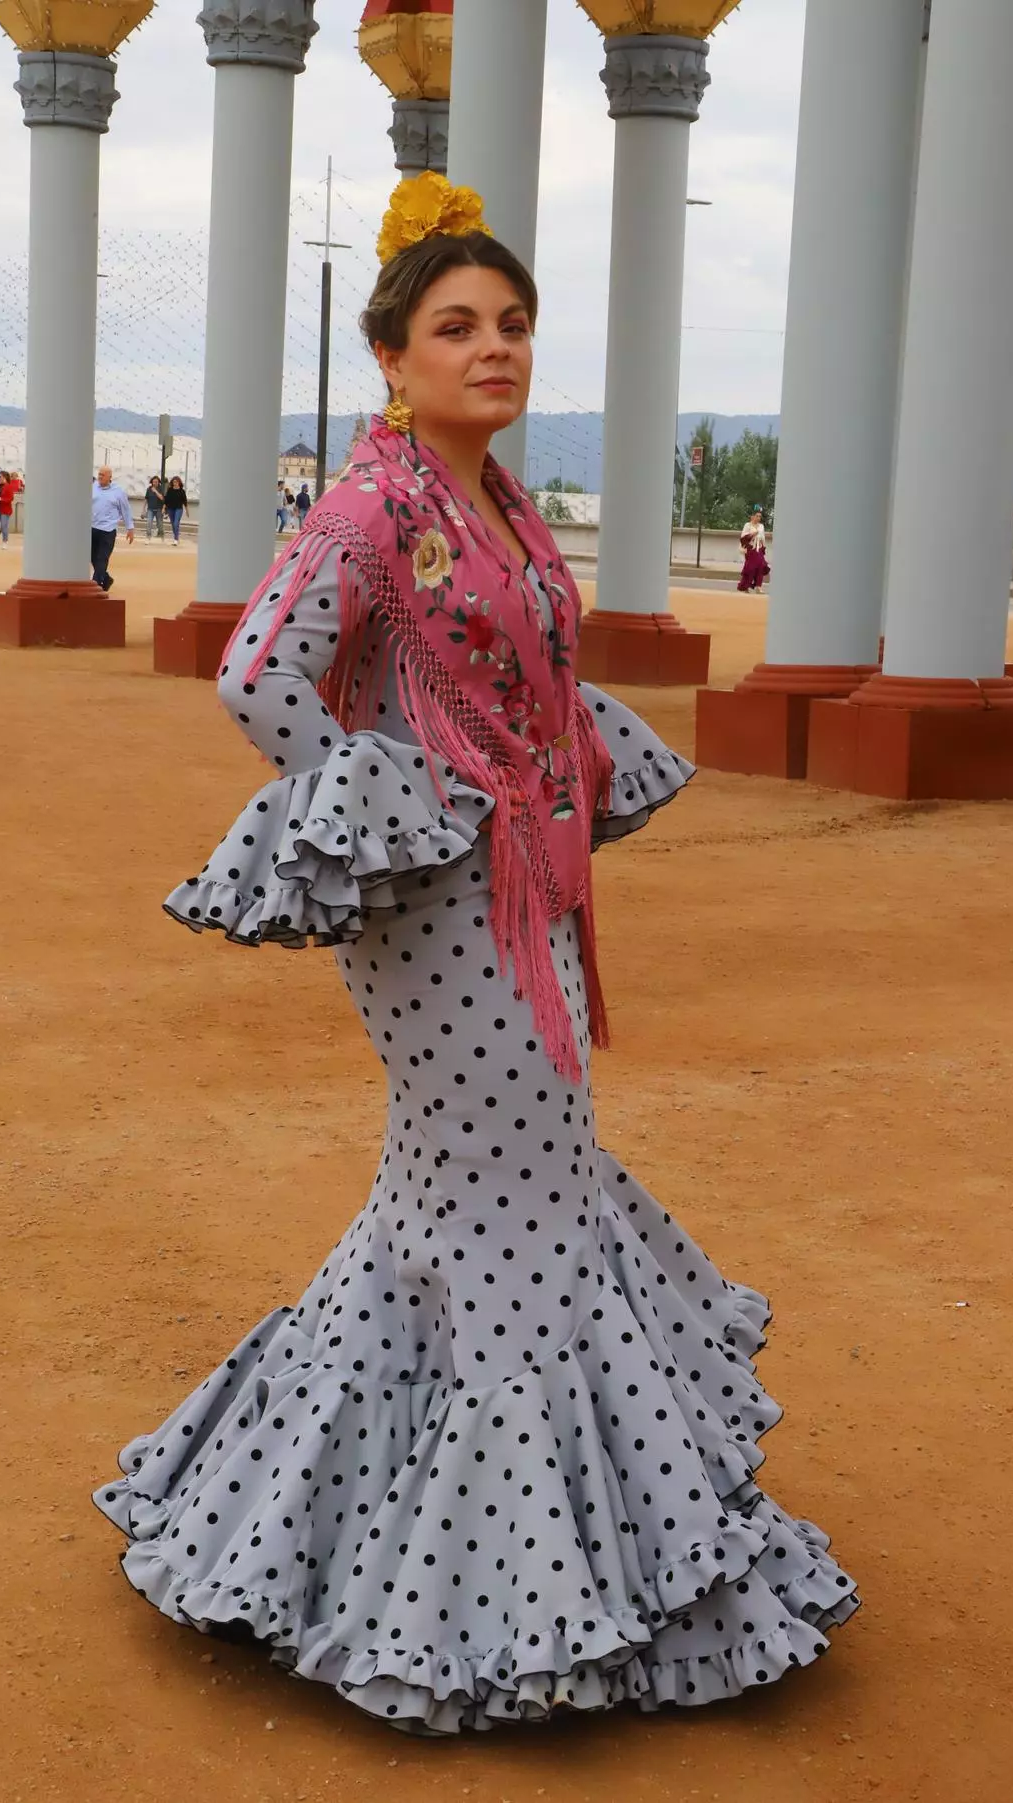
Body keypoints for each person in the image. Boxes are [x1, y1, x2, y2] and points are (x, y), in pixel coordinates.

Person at [94, 172, 858, 1735]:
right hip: (441, 910)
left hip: (523, 893)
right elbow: (259, 676)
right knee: (511, 1199)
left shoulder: (497, 502)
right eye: (459, 326)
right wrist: (394, 807)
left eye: (511, 322)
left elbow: (521, 685)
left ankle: (343, 1532)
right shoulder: (373, 505)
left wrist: (514, 780)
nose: (495, 347)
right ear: (393, 353)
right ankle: (502, 1590)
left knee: (479, 1203)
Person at [91, 466, 134, 591]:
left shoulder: (118, 492)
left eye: (103, 475)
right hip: (93, 528)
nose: (100, 477)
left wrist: (130, 528)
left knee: (102, 558)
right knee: (92, 557)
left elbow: (125, 510)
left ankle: (96, 585)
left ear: (110, 477)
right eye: (99, 474)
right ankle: (106, 578)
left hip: (108, 530)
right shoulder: (93, 488)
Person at [737, 507, 770, 593]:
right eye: (757, 516)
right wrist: (752, 534)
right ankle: (745, 586)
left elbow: (763, 538)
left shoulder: (761, 526)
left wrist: (763, 547)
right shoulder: (747, 525)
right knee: (750, 568)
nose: (758, 518)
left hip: (759, 549)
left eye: (760, 516)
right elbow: (743, 538)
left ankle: (758, 587)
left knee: (761, 566)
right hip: (750, 549)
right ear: (752, 517)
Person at [164, 474, 188, 544]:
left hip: (179, 509)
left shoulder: (182, 491)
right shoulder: (170, 490)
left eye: (177, 482)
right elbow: (166, 500)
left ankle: (176, 539)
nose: (175, 483)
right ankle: (176, 536)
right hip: (170, 509)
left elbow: (185, 501)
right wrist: (164, 508)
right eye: (174, 482)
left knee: (176, 523)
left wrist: (187, 511)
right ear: (172, 483)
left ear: (179, 483)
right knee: (173, 523)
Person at [144, 475, 166, 540]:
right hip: (150, 509)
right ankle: (148, 536)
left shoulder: (161, 489)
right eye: (153, 482)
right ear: (152, 482)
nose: (155, 483)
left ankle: (161, 535)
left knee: (160, 524)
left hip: (159, 509)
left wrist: (156, 491)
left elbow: (162, 498)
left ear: (158, 482)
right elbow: (146, 499)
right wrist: (143, 509)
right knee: (149, 522)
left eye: (156, 482)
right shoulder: (149, 489)